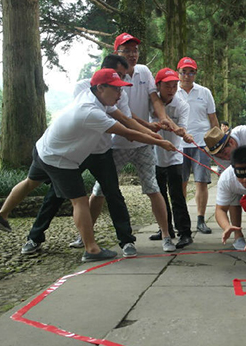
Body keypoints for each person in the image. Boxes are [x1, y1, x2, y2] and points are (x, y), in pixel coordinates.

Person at [0, 69, 176, 262]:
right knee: (80, 201)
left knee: (30, 182)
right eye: (116, 89)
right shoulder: (91, 112)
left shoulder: (93, 97)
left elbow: (125, 119)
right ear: (100, 88)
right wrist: (161, 143)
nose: (120, 94)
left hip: (44, 148)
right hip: (59, 159)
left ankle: (1, 215)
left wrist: (153, 134)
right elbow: (127, 133)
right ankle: (91, 249)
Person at [19, 54, 159, 258]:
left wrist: (152, 135)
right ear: (102, 77)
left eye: (122, 77)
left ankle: (126, 241)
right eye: (117, 75)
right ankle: (35, 237)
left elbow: (127, 120)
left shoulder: (118, 93)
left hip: (102, 151)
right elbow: (119, 127)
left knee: (113, 194)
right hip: (78, 153)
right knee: (56, 195)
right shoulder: (84, 89)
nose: (121, 82)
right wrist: (156, 139)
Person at [83, 33, 185, 254]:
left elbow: (154, 99)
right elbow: (125, 117)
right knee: (100, 189)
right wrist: (151, 131)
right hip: (116, 144)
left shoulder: (144, 72)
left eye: (135, 50)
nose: (132, 55)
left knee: (152, 188)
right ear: (116, 52)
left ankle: (166, 235)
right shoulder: (110, 79)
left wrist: (164, 119)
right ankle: (85, 235)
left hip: (142, 144)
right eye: (126, 50)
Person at [150, 68, 194, 249]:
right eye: (167, 86)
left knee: (177, 196)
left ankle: (185, 233)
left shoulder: (182, 105)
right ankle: (165, 230)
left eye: (174, 85)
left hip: (174, 156)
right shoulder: (149, 102)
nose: (171, 90)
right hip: (154, 155)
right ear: (158, 86)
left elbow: (181, 129)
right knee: (159, 196)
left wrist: (182, 132)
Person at [176, 56, 218, 235]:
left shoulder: (204, 92)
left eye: (191, 72)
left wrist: (215, 144)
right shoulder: (172, 91)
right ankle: (181, 220)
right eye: (184, 72)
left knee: (202, 182)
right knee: (181, 183)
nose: (187, 76)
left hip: (201, 143)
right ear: (178, 73)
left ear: (196, 73)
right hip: (178, 144)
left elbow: (213, 119)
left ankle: (201, 219)